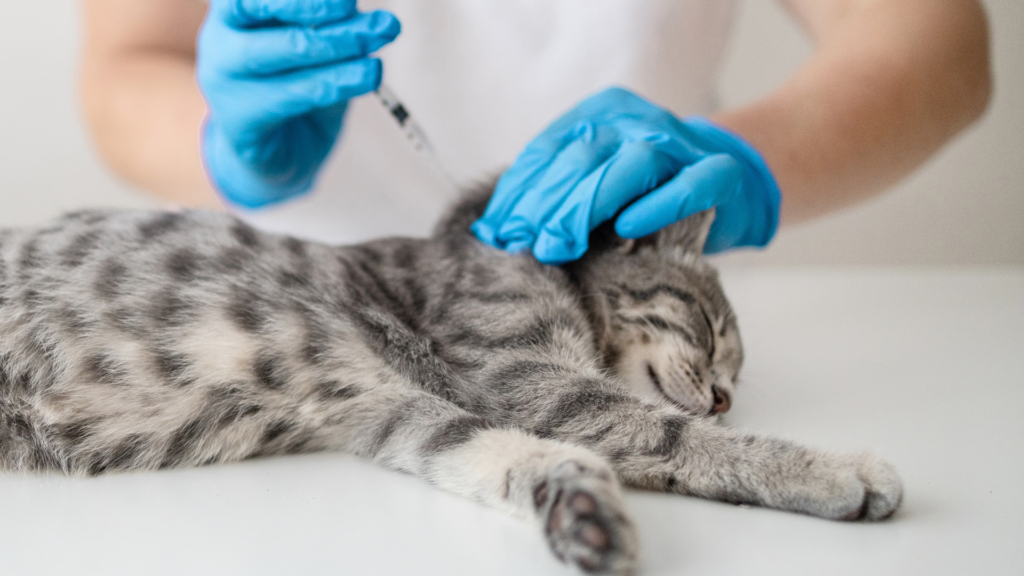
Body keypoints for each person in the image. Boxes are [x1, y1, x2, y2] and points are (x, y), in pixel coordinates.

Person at [79, 0, 991, 262]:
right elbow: (125, 62)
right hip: (283, 329)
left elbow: (935, 38)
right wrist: (227, 143)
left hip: (626, 341)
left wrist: (749, 162)